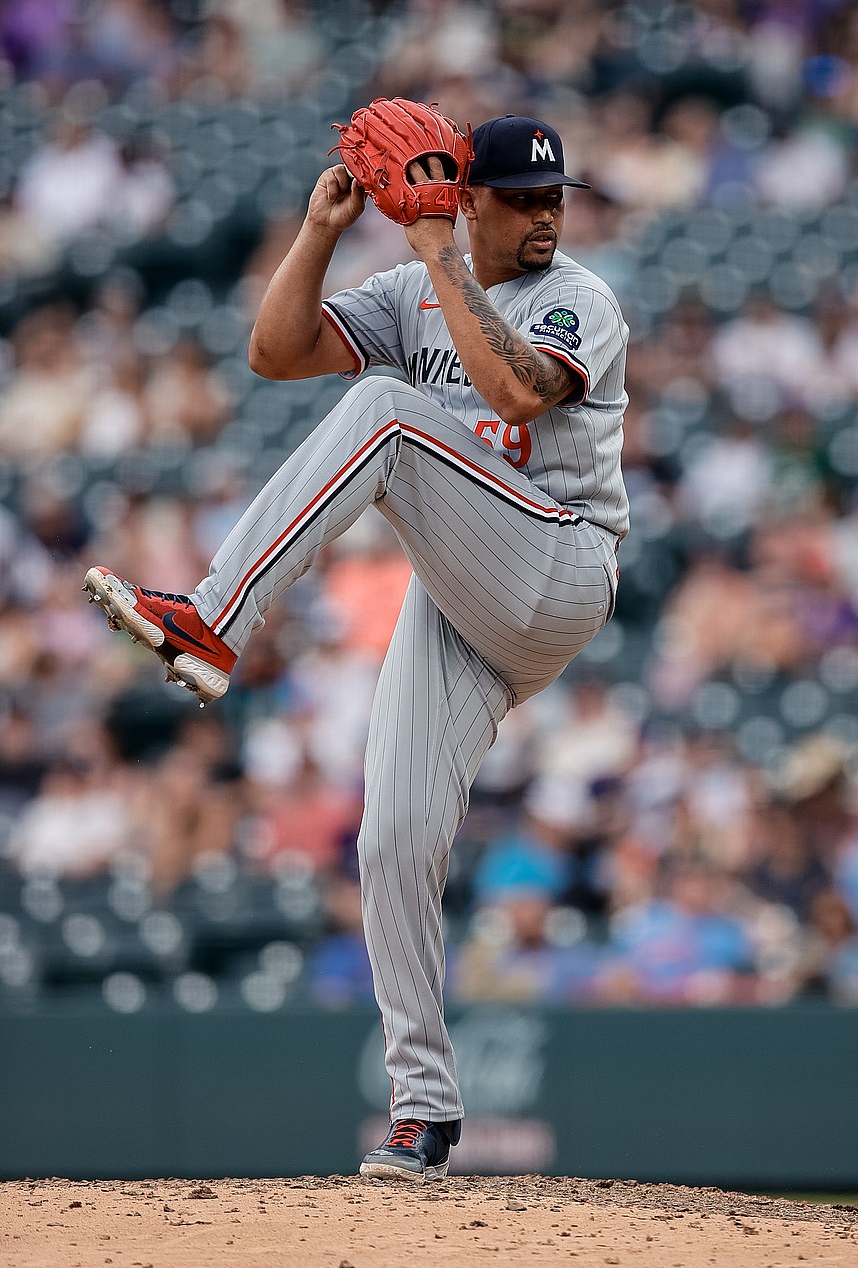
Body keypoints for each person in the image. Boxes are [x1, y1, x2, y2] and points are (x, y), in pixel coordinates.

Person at [84, 111, 630, 1182]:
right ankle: (424, 1113)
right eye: (519, 196)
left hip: (561, 563)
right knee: (392, 841)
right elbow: (275, 351)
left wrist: (431, 248)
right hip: (465, 597)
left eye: (552, 197)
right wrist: (320, 232)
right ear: (468, 196)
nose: (544, 213)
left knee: (385, 405)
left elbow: (520, 388)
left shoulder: (583, 296)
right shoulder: (411, 286)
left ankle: (213, 616)